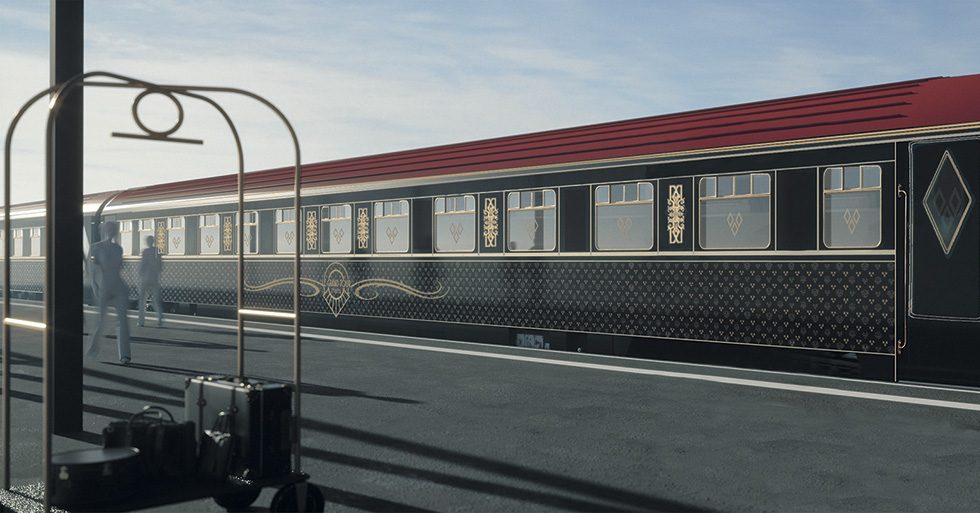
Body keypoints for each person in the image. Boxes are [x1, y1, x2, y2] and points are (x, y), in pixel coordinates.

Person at [86, 221, 132, 364]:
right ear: (104, 230)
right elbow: (93, 271)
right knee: (100, 320)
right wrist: (95, 287)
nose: (112, 231)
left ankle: (125, 355)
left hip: (118, 285)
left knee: (123, 320)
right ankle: (93, 349)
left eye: (114, 229)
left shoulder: (119, 248)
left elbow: (120, 267)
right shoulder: (96, 248)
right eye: (110, 228)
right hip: (104, 286)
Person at [138, 235, 164, 327]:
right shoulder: (158, 252)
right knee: (156, 300)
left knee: (142, 300)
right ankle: (160, 319)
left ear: (148, 242)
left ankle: (141, 321)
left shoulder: (145, 252)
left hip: (146, 278)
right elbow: (161, 267)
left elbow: (142, 265)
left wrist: (140, 274)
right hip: (155, 278)